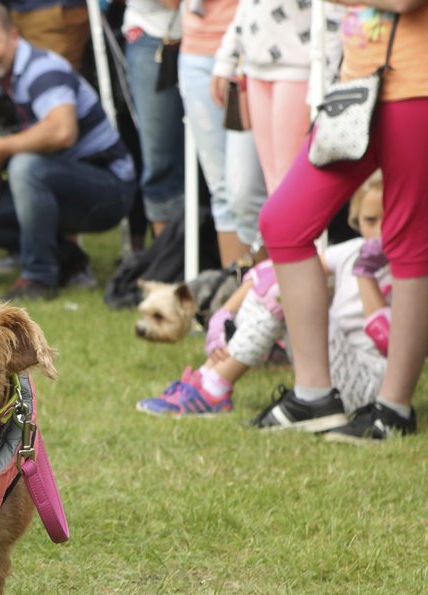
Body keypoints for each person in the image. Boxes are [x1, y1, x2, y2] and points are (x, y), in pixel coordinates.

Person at [254, 1, 428, 441]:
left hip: (417, 84)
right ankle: (313, 397)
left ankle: (394, 408)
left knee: (408, 242)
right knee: (283, 222)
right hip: (357, 86)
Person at [137, 173, 388, 417]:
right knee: (281, 281)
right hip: (329, 367)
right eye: (370, 220)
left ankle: (214, 389)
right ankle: (207, 378)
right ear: (355, 219)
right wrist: (225, 313)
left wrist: (365, 273)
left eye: (389, 219)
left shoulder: (409, 269)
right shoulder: (352, 250)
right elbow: (270, 272)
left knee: (282, 293)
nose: (380, 231)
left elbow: (387, 342)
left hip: (371, 386)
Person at [0, 0, 135, 301]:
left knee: (26, 167)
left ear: (13, 35)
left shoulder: (43, 68)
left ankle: (38, 278)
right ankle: (69, 259)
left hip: (109, 189)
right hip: (55, 184)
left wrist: (1, 147)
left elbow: (62, 130)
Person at [211, 0, 343, 195]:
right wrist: (226, 59)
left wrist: (321, 87)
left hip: (298, 72)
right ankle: (278, 226)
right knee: (272, 180)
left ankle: (288, 225)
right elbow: (246, 8)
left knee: (289, 180)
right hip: (256, 70)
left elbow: (332, 17)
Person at [178, 0, 266, 267]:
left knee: (248, 192)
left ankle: (265, 295)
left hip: (254, 52)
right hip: (195, 52)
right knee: (223, 192)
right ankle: (235, 296)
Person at [123, 0, 186, 236]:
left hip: (213, 39)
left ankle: (207, 253)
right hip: (152, 36)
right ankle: (168, 261)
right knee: (160, 159)